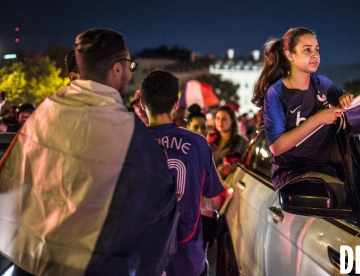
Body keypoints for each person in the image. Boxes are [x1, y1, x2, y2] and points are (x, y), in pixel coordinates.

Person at [0, 28, 178, 276]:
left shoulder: (46, 112)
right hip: (89, 265)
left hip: (34, 258)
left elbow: (11, 177)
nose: (129, 71)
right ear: (118, 68)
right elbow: (157, 203)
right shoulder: (129, 132)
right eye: (129, 64)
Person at [140, 70, 224, 276]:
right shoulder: (197, 143)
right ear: (176, 104)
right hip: (188, 257)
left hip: (145, 256)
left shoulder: (131, 142)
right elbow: (215, 200)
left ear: (142, 103)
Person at [251, 27, 353, 192]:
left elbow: (345, 102)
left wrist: (345, 98)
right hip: (292, 173)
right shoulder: (276, 93)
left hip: (326, 168)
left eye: (317, 50)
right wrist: (317, 119)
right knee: (340, 195)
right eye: (307, 50)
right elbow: (276, 146)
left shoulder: (323, 83)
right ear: (290, 55)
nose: (315, 55)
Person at [207, 105, 248, 177]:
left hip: (229, 184)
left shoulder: (241, 142)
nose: (220, 122)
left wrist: (232, 167)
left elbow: (246, 166)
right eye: (218, 118)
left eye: (224, 119)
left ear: (232, 121)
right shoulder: (211, 139)